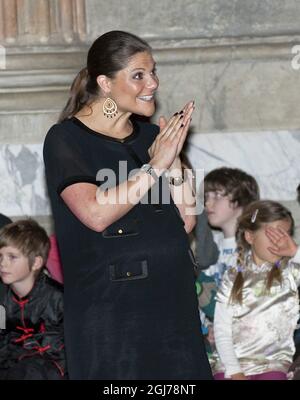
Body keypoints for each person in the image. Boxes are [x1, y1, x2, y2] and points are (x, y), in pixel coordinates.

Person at [43, 30, 212, 380]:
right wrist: (154, 167)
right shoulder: (66, 139)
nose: (152, 83)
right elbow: (95, 213)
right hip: (112, 316)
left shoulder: (151, 137)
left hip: (171, 304)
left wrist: (175, 161)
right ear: (105, 83)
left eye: (153, 72)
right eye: (138, 75)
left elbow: (185, 220)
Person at [213, 200, 300, 380]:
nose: (280, 242)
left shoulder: (291, 271)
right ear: (250, 237)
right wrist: (234, 370)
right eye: (274, 235)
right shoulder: (232, 276)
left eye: (286, 235)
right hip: (231, 362)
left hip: (272, 363)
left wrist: (294, 251)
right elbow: (222, 328)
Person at [197, 168, 259, 351]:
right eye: (206, 196)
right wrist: (206, 328)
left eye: (217, 195)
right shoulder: (209, 246)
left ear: (241, 200)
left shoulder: (256, 248)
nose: (208, 202)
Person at [0, 219, 66, 380]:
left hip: (49, 365)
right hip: (12, 361)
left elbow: (63, 350)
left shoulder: (58, 298)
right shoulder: (3, 298)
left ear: (36, 262)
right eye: (0, 256)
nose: (3, 264)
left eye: (12, 257)